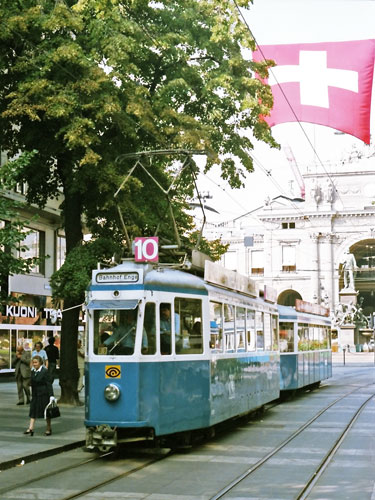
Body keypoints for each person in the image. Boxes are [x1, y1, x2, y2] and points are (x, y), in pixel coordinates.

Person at [24, 355, 55, 436]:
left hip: (44, 394)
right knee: (33, 410)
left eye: (36, 362)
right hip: (35, 394)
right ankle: (31, 428)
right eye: (33, 362)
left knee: (46, 412)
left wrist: (51, 396)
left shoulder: (44, 371)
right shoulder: (33, 371)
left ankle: (48, 428)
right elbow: (32, 383)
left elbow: (49, 384)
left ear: (40, 363)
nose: (34, 364)